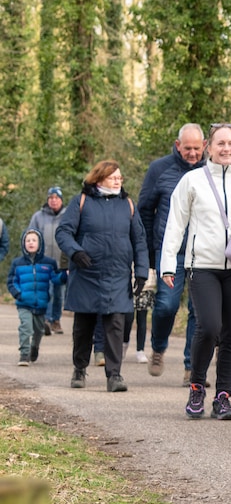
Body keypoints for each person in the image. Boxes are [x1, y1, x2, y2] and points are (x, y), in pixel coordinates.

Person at [160, 123, 231, 421]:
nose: (227, 148)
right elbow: (175, 223)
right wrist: (166, 263)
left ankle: (223, 397)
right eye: (221, 143)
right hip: (202, 267)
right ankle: (197, 386)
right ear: (208, 148)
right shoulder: (192, 181)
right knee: (209, 327)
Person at [57, 160, 150, 392]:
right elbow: (64, 232)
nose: (118, 180)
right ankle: (79, 369)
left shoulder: (127, 204)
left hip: (117, 275)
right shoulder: (82, 201)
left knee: (116, 325)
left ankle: (114, 375)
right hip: (86, 273)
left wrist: (140, 272)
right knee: (83, 326)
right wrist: (75, 252)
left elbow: (139, 240)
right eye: (113, 177)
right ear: (99, 179)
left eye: (120, 177)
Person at [138, 123, 205, 383]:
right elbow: (144, 210)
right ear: (178, 146)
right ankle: (158, 346)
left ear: (205, 147)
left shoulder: (210, 171)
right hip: (170, 252)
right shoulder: (159, 169)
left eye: (197, 148)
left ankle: (192, 366)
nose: (192, 153)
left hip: (201, 252)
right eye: (187, 148)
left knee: (198, 311)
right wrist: (149, 252)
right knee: (166, 306)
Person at [8, 230, 66, 365]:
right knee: (25, 327)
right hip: (24, 302)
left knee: (39, 330)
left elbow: (56, 280)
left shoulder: (49, 263)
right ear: (23, 244)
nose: (31, 243)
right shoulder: (17, 263)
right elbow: (11, 281)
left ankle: (34, 347)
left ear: (40, 244)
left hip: (41, 303)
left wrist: (64, 275)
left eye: (34, 240)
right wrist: (18, 294)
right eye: (28, 240)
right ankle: (24, 354)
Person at [28, 187, 67, 334]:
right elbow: (31, 236)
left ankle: (55, 320)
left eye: (56, 198)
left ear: (61, 200)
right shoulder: (38, 217)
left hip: (61, 263)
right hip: (43, 262)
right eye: (51, 198)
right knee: (46, 292)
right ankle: (45, 320)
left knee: (59, 294)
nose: (53, 200)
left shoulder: (67, 216)